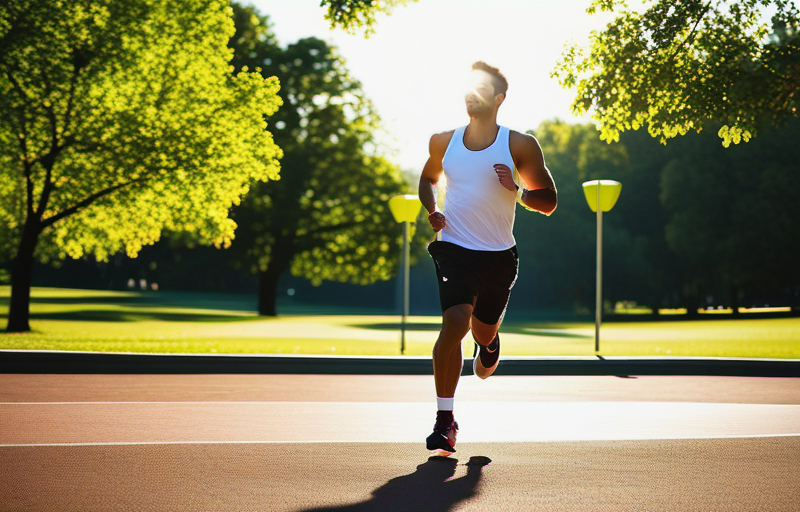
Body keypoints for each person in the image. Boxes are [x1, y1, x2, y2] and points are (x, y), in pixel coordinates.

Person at [418, 61, 557, 455]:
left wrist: (517, 189)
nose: (471, 94)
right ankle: (445, 421)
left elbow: (548, 201)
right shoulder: (442, 141)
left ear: (498, 99)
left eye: (481, 89)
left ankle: (490, 344)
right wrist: (431, 209)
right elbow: (428, 179)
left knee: (482, 331)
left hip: (498, 256)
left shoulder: (519, 145)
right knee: (455, 322)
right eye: (468, 87)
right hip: (454, 248)